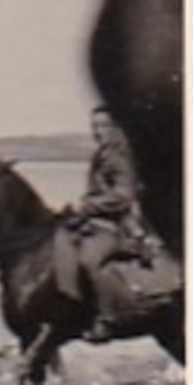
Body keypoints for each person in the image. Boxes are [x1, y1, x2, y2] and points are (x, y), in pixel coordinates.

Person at [68, 106, 149, 342]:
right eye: (94, 126)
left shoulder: (119, 155)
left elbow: (123, 195)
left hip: (118, 226)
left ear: (116, 128)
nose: (97, 131)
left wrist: (88, 206)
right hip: (97, 222)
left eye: (103, 126)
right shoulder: (102, 155)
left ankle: (106, 318)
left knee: (89, 258)